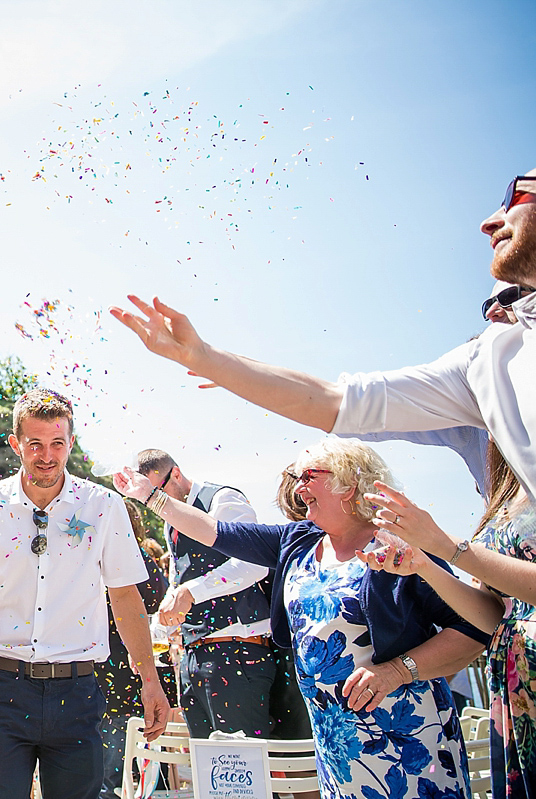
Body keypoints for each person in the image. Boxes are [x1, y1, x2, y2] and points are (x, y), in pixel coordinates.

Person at [108, 171, 536, 500]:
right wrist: (205, 358)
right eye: (495, 306)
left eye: (514, 195)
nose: (488, 221)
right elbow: (336, 402)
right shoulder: (487, 366)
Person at [113, 438, 490, 799]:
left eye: (310, 476)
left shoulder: (398, 544)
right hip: (334, 741)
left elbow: (474, 627)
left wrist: (398, 671)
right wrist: (149, 496)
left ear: (349, 482)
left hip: (405, 736)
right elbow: (216, 533)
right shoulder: (299, 541)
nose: (298, 488)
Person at [0, 389, 169, 799]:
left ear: (71, 443)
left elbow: (126, 599)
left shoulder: (104, 506)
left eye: (57, 443)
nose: (47, 456)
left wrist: (150, 680)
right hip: (2, 689)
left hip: (77, 692)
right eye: (34, 444)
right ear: (16, 443)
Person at [358, 441, 531, 798]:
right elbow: (495, 616)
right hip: (516, 686)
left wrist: (444, 543)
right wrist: (424, 565)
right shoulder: (506, 487)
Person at [134, 449, 288, 743]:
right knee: (207, 769)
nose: (157, 504)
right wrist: (155, 635)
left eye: (158, 493)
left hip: (237, 652)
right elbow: (179, 582)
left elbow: (253, 564)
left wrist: (193, 592)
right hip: (194, 657)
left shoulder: (222, 500)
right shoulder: (172, 522)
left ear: (176, 474)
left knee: (242, 772)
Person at [97, 500, 172, 799]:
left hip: (123, 680)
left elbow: (156, 605)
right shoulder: (135, 559)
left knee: (119, 776)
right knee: (134, 775)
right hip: (126, 680)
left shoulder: (131, 557)